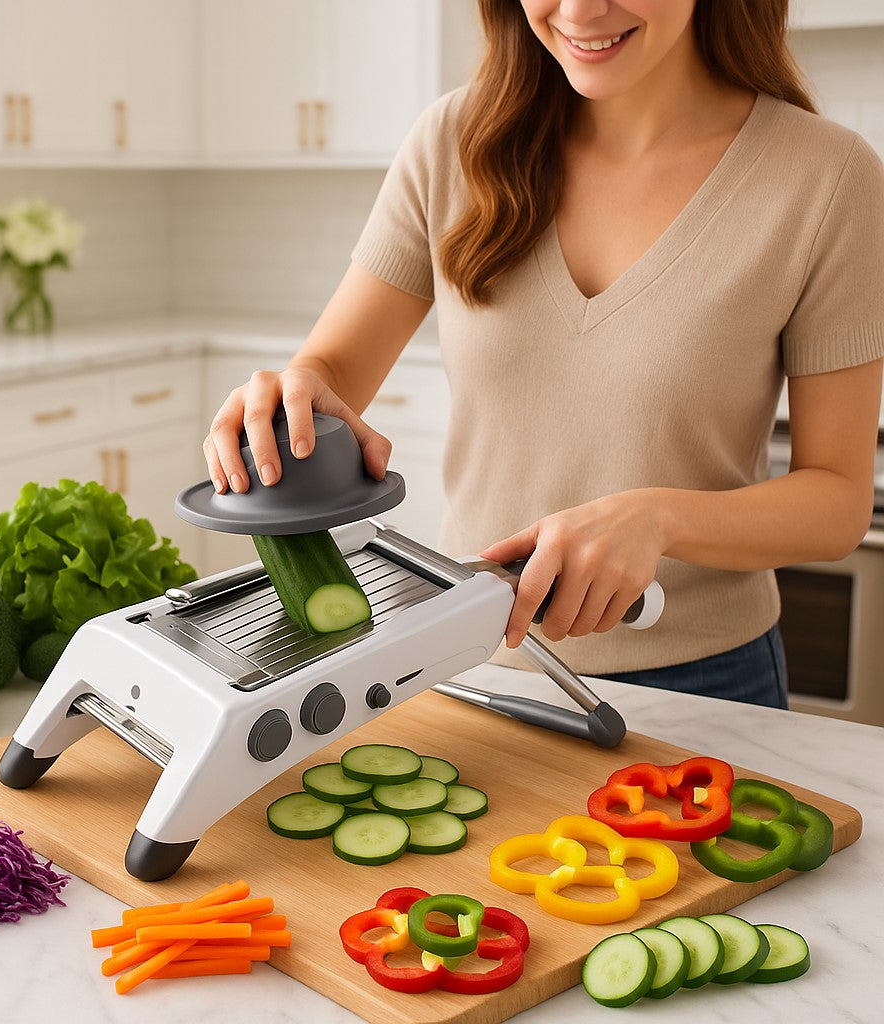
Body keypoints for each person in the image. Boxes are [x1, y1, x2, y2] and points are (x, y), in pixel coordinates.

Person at [203, 0, 884, 708]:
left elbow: (837, 500)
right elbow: (335, 368)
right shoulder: (451, 142)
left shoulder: (826, 177)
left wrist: (659, 517)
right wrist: (295, 392)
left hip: (705, 684)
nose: (582, 9)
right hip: (470, 664)